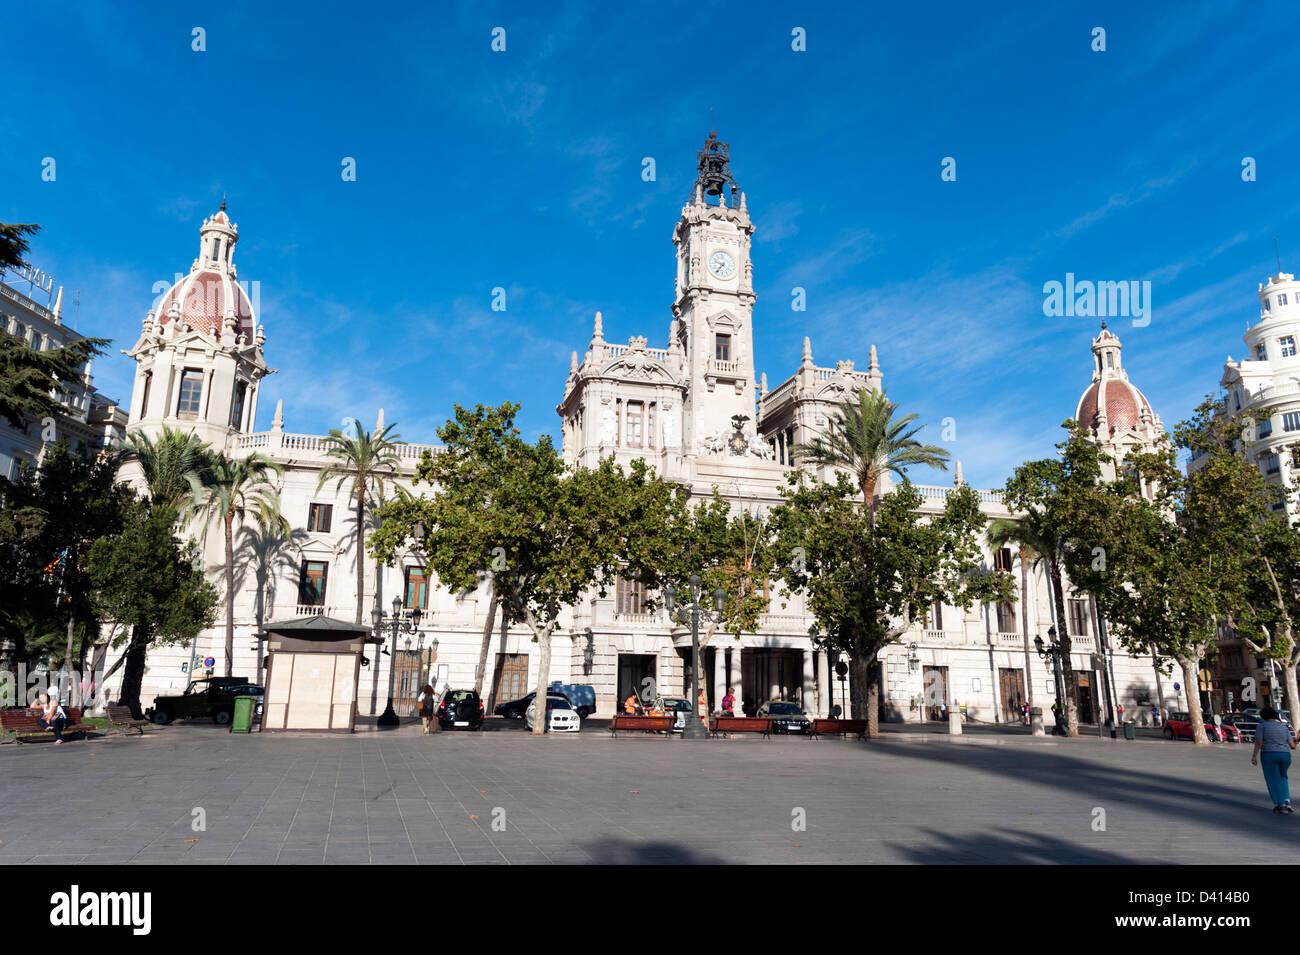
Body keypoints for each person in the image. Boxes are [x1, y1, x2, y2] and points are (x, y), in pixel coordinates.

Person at [1251, 705, 1296, 813]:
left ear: (1263, 716)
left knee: (1273, 779)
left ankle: (1280, 804)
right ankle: (1287, 801)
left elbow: (1259, 742)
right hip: (1285, 755)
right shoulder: (1284, 727)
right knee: (1283, 777)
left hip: (1269, 755)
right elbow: (1292, 746)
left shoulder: (1262, 726)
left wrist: (1254, 756)